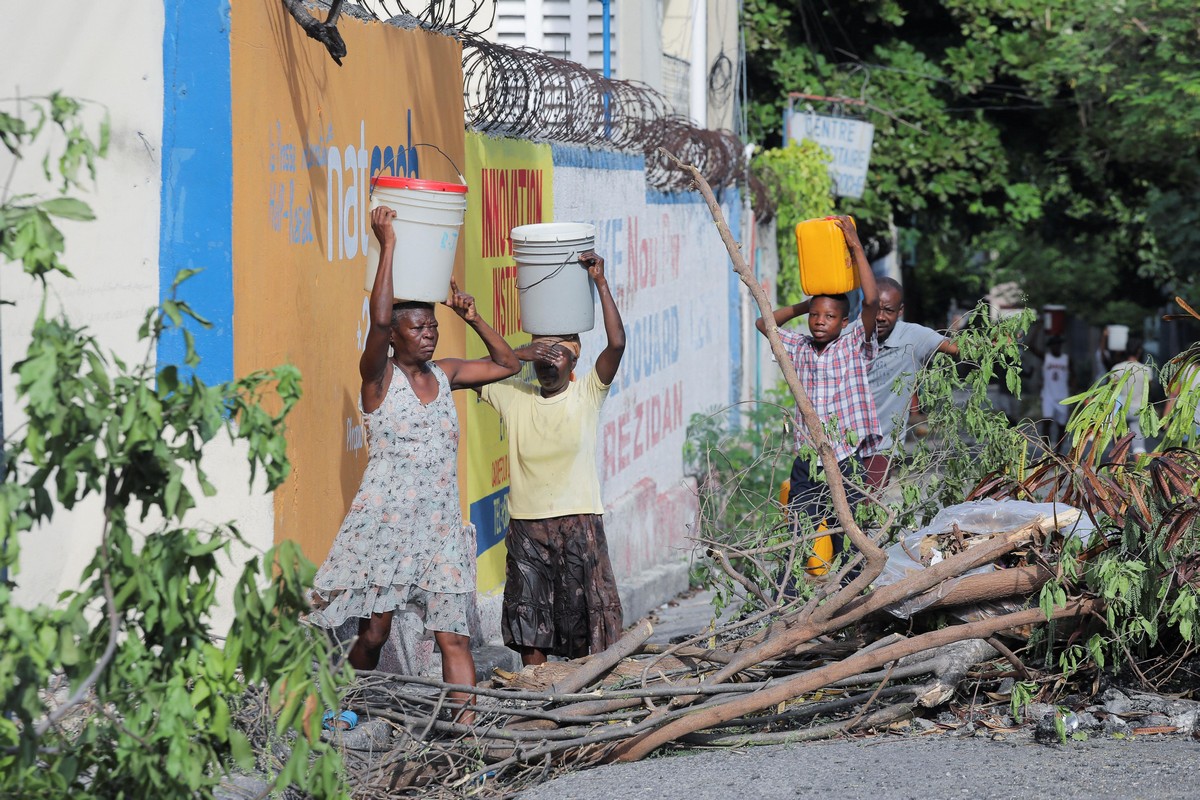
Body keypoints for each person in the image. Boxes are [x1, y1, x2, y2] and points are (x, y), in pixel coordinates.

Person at [307, 206, 520, 718]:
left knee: (454, 637)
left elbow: (507, 364)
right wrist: (388, 245)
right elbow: (379, 319)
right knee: (374, 632)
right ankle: (337, 702)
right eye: (419, 327)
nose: (430, 334)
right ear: (396, 337)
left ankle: (468, 734)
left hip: (441, 529)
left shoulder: (444, 375)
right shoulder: (378, 382)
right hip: (387, 527)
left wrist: (471, 315)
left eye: (433, 326)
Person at [477, 250, 626, 666]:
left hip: (579, 522)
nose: (547, 363)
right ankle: (534, 698)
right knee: (530, 626)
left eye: (556, 355)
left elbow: (617, 342)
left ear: (575, 358)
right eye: (541, 356)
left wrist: (599, 281)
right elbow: (480, 371)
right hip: (527, 526)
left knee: (582, 625)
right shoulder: (514, 396)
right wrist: (521, 352)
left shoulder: (587, 393)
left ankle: (578, 697)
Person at [755, 215, 880, 571]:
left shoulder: (854, 344)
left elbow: (870, 303)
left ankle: (851, 605)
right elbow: (764, 324)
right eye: (815, 315)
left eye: (828, 316)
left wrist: (855, 245)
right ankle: (792, 600)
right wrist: (804, 303)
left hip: (845, 459)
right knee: (800, 530)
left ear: (844, 322)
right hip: (807, 460)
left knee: (850, 536)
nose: (820, 321)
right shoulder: (799, 347)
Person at [862, 277, 959, 486]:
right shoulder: (849, 335)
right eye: (875, 309)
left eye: (888, 310)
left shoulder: (913, 335)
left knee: (864, 509)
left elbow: (955, 348)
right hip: (842, 445)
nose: (880, 317)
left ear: (900, 311)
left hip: (882, 447)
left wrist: (993, 342)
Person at [1104, 338, 1152, 455]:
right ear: (1139, 351)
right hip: (1138, 410)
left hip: (1120, 410)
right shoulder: (1146, 370)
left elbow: (1110, 391)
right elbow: (1147, 391)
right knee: (1139, 446)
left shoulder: (1117, 368)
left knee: (1119, 445)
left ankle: (1118, 470)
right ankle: (1139, 472)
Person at [1039, 335, 1071, 452]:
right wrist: (1038, 327)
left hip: (1063, 396)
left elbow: (1074, 375)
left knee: (1061, 426)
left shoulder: (1066, 359)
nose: (1056, 346)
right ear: (1050, 347)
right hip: (1048, 396)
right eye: (1054, 345)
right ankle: (1046, 451)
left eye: (1058, 344)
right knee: (1046, 422)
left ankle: (1058, 451)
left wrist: (1074, 384)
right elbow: (1031, 347)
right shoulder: (1046, 358)